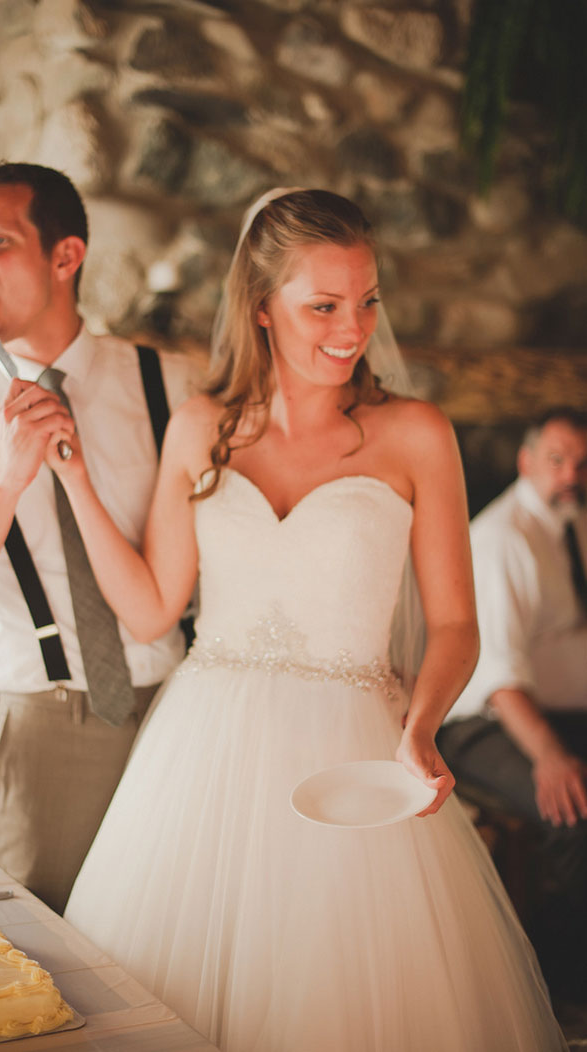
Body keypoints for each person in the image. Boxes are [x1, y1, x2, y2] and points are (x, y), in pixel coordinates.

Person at [57, 189, 566, 1050]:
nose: (352, 326)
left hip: (358, 760)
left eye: (367, 299)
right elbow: (149, 607)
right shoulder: (200, 427)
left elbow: (454, 625)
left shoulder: (416, 434)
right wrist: (72, 478)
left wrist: (422, 726)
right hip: (203, 757)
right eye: (323, 305)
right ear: (262, 308)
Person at [0, 162, 196, 915]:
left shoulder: (174, 388)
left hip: (185, 718)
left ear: (66, 256)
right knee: (51, 964)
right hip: (44, 732)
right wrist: (7, 481)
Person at [438, 407, 587, 1008]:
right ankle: (559, 987)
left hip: (556, 709)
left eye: (581, 463)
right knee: (574, 811)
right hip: (483, 722)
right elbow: (498, 679)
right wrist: (551, 757)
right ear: (526, 461)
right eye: (557, 460)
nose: (570, 474)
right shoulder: (502, 539)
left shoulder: (570, 521)